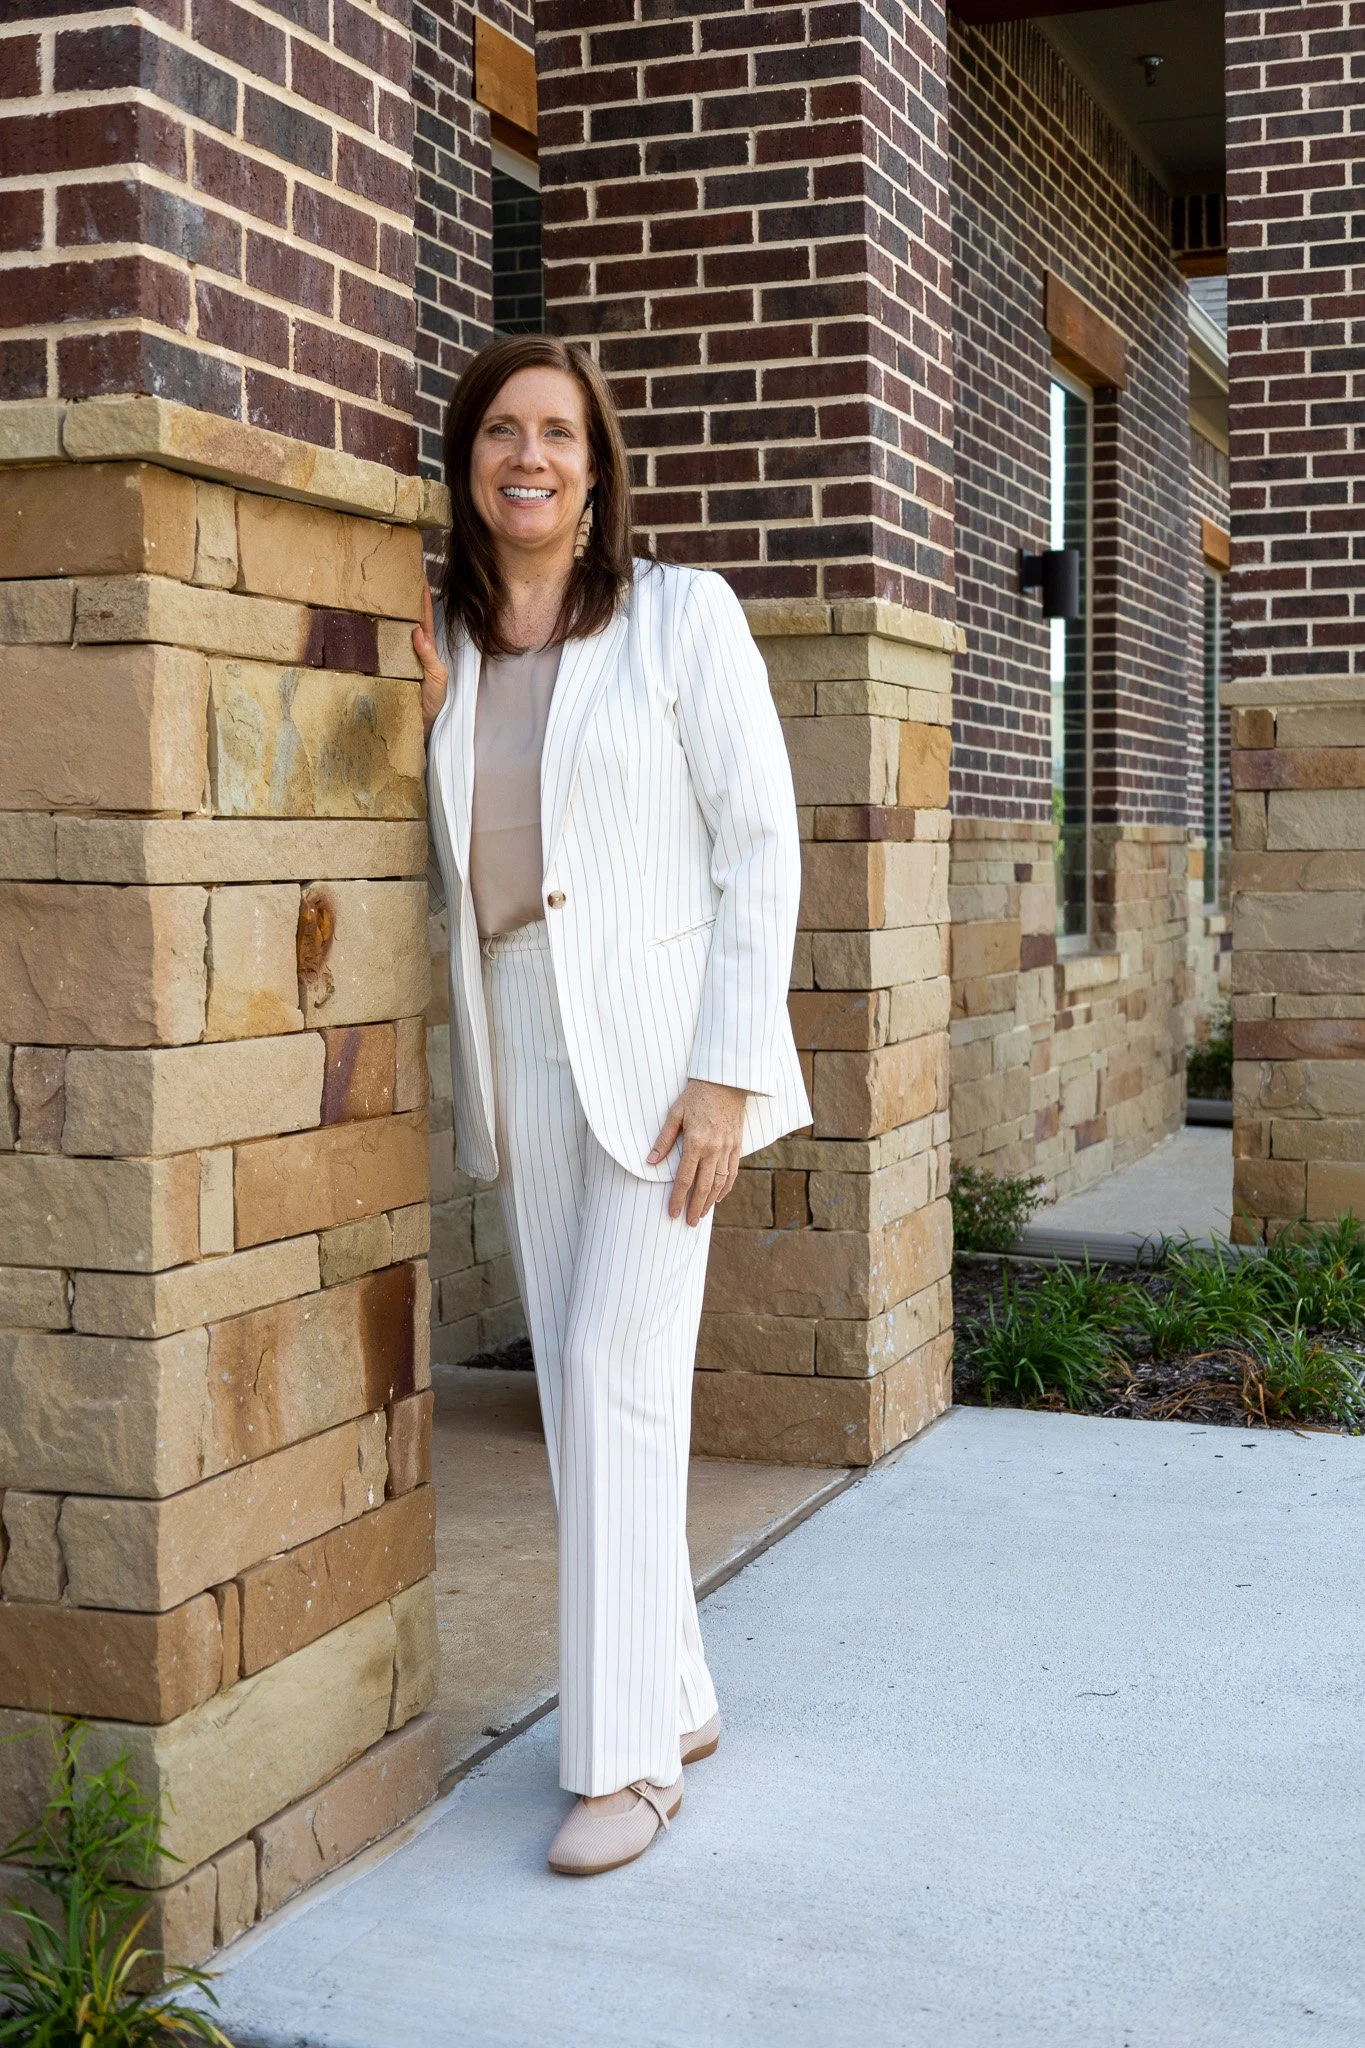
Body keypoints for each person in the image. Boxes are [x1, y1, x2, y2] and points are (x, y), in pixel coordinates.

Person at [413, 334, 809, 1877]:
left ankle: (630, 1763)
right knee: (588, 1404)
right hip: (524, 1040)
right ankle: (682, 1691)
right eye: (501, 431)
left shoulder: (677, 619)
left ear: (596, 467)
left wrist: (725, 1070)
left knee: (605, 1370)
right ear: (467, 462)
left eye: (557, 435)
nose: (529, 455)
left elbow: (757, 845)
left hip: (661, 1061)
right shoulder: (444, 642)